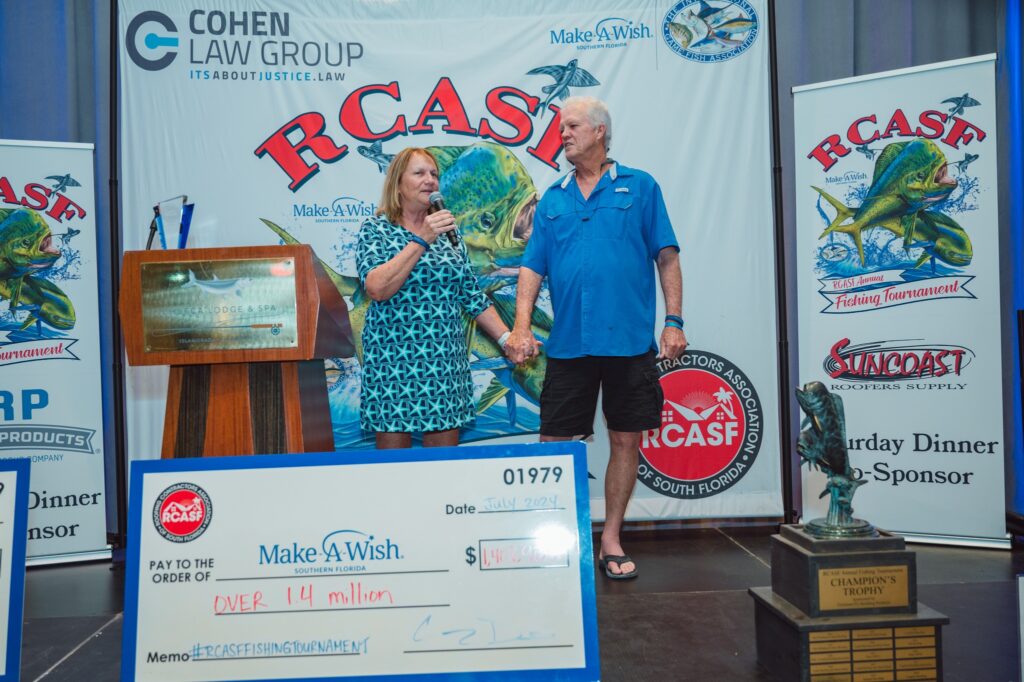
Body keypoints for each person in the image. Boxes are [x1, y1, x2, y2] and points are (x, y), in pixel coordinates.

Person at [505, 96, 688, 580]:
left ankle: (611, 538)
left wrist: (674, 321)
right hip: (568, 344)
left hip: (629, 342)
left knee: (626, 439)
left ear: (600, 131)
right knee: (553, 442)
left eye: (571, 126)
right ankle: (555, 538)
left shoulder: (641, 187)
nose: (562, 134)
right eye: (561, 127)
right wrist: (521, 326)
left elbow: (666, 257)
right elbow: (531, 267)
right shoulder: (554, 199)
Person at [357, 147, 513, 449]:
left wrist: (507, 340)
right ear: (398, 183)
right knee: (393, 470)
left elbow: (472, 297)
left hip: (444, 366)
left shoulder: (450, 235)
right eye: (419, 173)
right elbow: (377, 288)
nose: (430, 180)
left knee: (444, 470)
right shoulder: (376, 230)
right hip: (394, 366)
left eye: (434, 174)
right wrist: (421, 240)